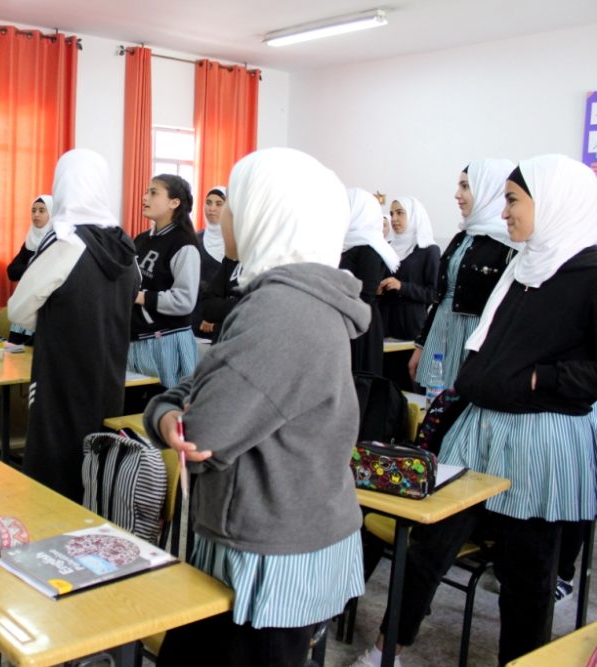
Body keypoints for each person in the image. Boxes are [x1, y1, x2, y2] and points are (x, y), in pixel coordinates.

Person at [352, 154, 597, 667]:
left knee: (527, 574)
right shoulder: (525, 263)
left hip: (539, 441)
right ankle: (386, 650)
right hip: (481, 428)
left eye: (513, 200)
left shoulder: (589, 271)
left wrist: (537, 379)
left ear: (552, 204)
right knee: (428, 546)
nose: (504, 211)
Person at [145, 148, 369, 666]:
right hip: (284, 525)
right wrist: (169, 408)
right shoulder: (291, 295)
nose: (227, 215)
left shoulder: (283, 310)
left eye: (238, 200)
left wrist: (169, 411)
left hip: (272, 542)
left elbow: (203, 430)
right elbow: (194, 388)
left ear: (271, 211)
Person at [8, 150, 139, 502]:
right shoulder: (126, 247)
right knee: (97, 468)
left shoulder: (65, 242)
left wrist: (56, 315)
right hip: (109, 377)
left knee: (54, 474)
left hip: (61, 376)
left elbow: (17, 310)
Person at [408, 159, 519, 389]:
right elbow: (439, 297)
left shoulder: (510, 244)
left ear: (489, 189)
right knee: (435, 406)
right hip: (441, 333)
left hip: (475, 339)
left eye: (465, 186)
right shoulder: (462, 237)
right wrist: (421, 345)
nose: (457, 195)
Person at [128, 174, 201, 387]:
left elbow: (184, 300)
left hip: (168, 341)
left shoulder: (183, 243)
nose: (144, 197)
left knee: (167, 410)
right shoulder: (141, 240)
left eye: (153, 192)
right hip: (137, 340)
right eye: (146, 191)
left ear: (174, 202)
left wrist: (138, 297)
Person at [340, 187, 400, 375]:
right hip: (349, 319)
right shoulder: (349, 243)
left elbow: (364, 294)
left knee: (360, 382)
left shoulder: (369, 247)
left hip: (361, 325)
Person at [378, 196, 440, 340]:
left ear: (413, 216)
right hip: (384, 325)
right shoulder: (387, 248)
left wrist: (401, 286)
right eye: (392, 214)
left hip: (411, 327)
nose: (394, 219)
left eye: (400, 213)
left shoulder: (428, 249)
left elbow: (433, 294)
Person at [6, 194, 52, 345]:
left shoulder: (56, 241)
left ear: (51, 213)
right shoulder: (30, 240)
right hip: (25, 304)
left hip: (43, 310)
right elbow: (11, 272)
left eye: (41, 210)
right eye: (33, 210)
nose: (36, 215)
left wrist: (28, 268)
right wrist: (35, 265)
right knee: (14, 356)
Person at [194, 186, 239, 342]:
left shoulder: (237, 244)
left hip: (227, 323)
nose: (211, 208)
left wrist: (216, 315)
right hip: (196, 316)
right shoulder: (194, 239)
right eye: (208, 202)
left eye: (219, 204)